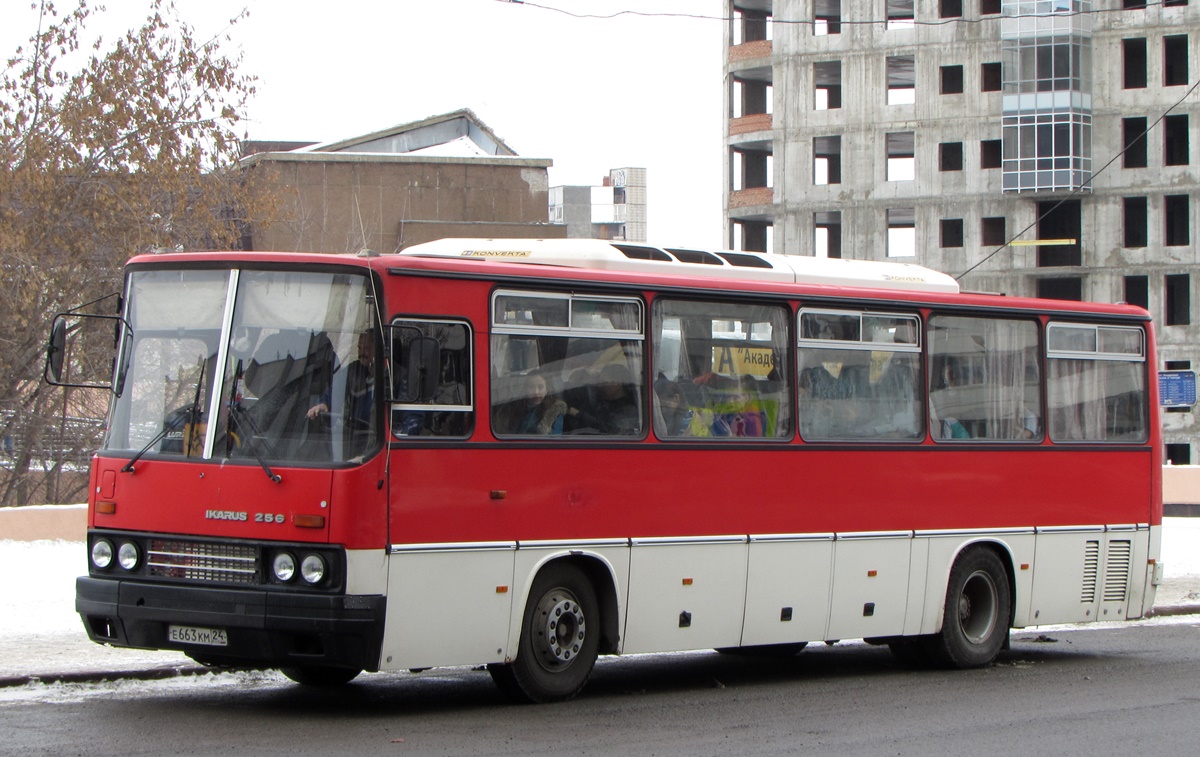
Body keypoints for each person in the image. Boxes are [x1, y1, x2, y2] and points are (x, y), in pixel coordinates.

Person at [567, 363, 639, 434]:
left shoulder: (629, 410)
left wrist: (578, 414)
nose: (599, 385)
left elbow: (610, 429)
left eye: (603, 381)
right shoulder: (601, 401)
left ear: (618, 382)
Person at [501, 372, 566, 435]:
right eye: (531, 387)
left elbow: (554, 441)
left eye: (540, 387)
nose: (536, 392)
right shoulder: (517, 407)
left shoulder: (555, 411)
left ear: (547, 390)